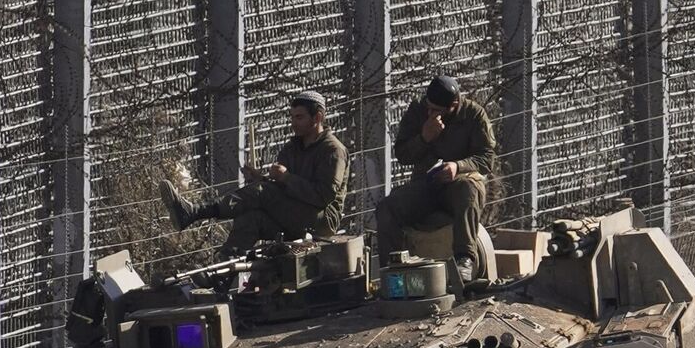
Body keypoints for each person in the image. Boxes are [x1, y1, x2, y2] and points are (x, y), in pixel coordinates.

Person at [161, 91, 348, 254]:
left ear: (317, 118)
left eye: (299, 117)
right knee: (250, 220)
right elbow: (282, 191)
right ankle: (220, 276)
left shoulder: (332, 151)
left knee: (263, 193)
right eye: (292, 117)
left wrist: (285, 178)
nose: (293, 123)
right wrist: (262, 179)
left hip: (322, 221)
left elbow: (324, 196)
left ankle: (194, 212)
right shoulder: (292, 148)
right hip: (296, 214)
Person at [376, 74, 497, 285]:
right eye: (429, 107)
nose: (431, 113)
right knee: (388, 207)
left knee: (468, 190)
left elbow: (487, 159)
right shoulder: (418, 112)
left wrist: (457, 166)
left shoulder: (473, 115)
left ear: (454, 105)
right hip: (426, 184)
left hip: (458, 183)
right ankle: (393, 271)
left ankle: (464, 260)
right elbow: (403, 154)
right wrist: (424, 138)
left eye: (437, 110)